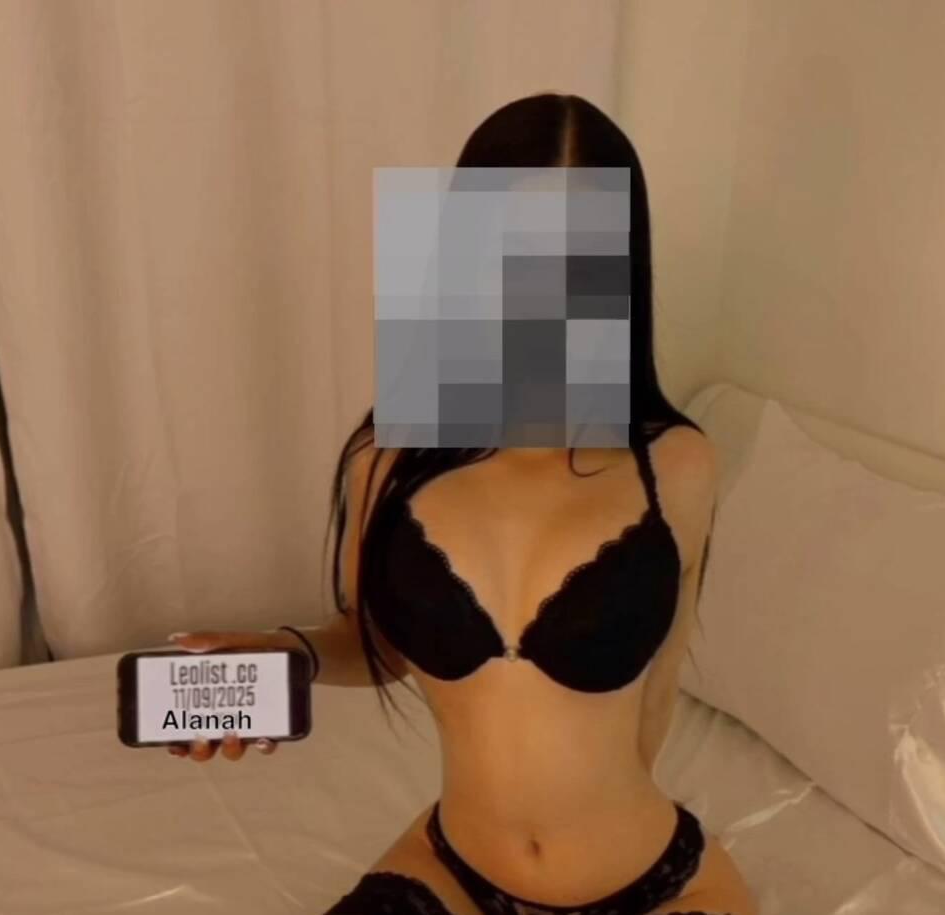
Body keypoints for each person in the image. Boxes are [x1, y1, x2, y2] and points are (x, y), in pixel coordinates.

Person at [167, 94, 758, 915]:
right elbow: (376, 642)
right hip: (453, 868)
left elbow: (654, 700)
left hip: (653, 881)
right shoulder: (388, 459)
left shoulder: (676, 466)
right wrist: (287, 655)